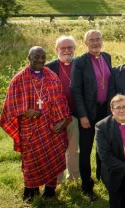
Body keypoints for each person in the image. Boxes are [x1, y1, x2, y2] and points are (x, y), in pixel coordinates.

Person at [0, 46, 70, 202]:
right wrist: (26, 111)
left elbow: (61, 101)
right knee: (31, 161)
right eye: (36, 57)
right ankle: (31, 190)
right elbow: (9, 105)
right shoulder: (18, 79)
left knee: (52, 157)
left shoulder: (51, 76)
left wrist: (64, 120)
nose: (40, 60)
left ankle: (50, 191)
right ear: (29, 58)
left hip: (52, 128)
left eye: (43, 57)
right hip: (30, 129)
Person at [72, 29, 112, 201]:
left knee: (104, 146)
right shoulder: (80, 62)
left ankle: (103, 177)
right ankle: (87, 186)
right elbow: (76, 90)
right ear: (86, 42)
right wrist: (82, 115)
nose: (95, 42)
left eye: (98, 39)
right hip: (88, 112)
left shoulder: (107, 57)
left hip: (105, 111)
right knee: (86, 149)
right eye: (92, 40)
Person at [45, 36, 79, 183]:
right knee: (55, 150)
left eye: (70, 48)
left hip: (75, 115)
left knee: (73, 149)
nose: (66, 50)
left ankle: (73, 177)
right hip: (55, 117)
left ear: (74, 49)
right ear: (56, 49)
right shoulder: (48, 67)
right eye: (63, 48)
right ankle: (57, 180)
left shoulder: (80, 64)